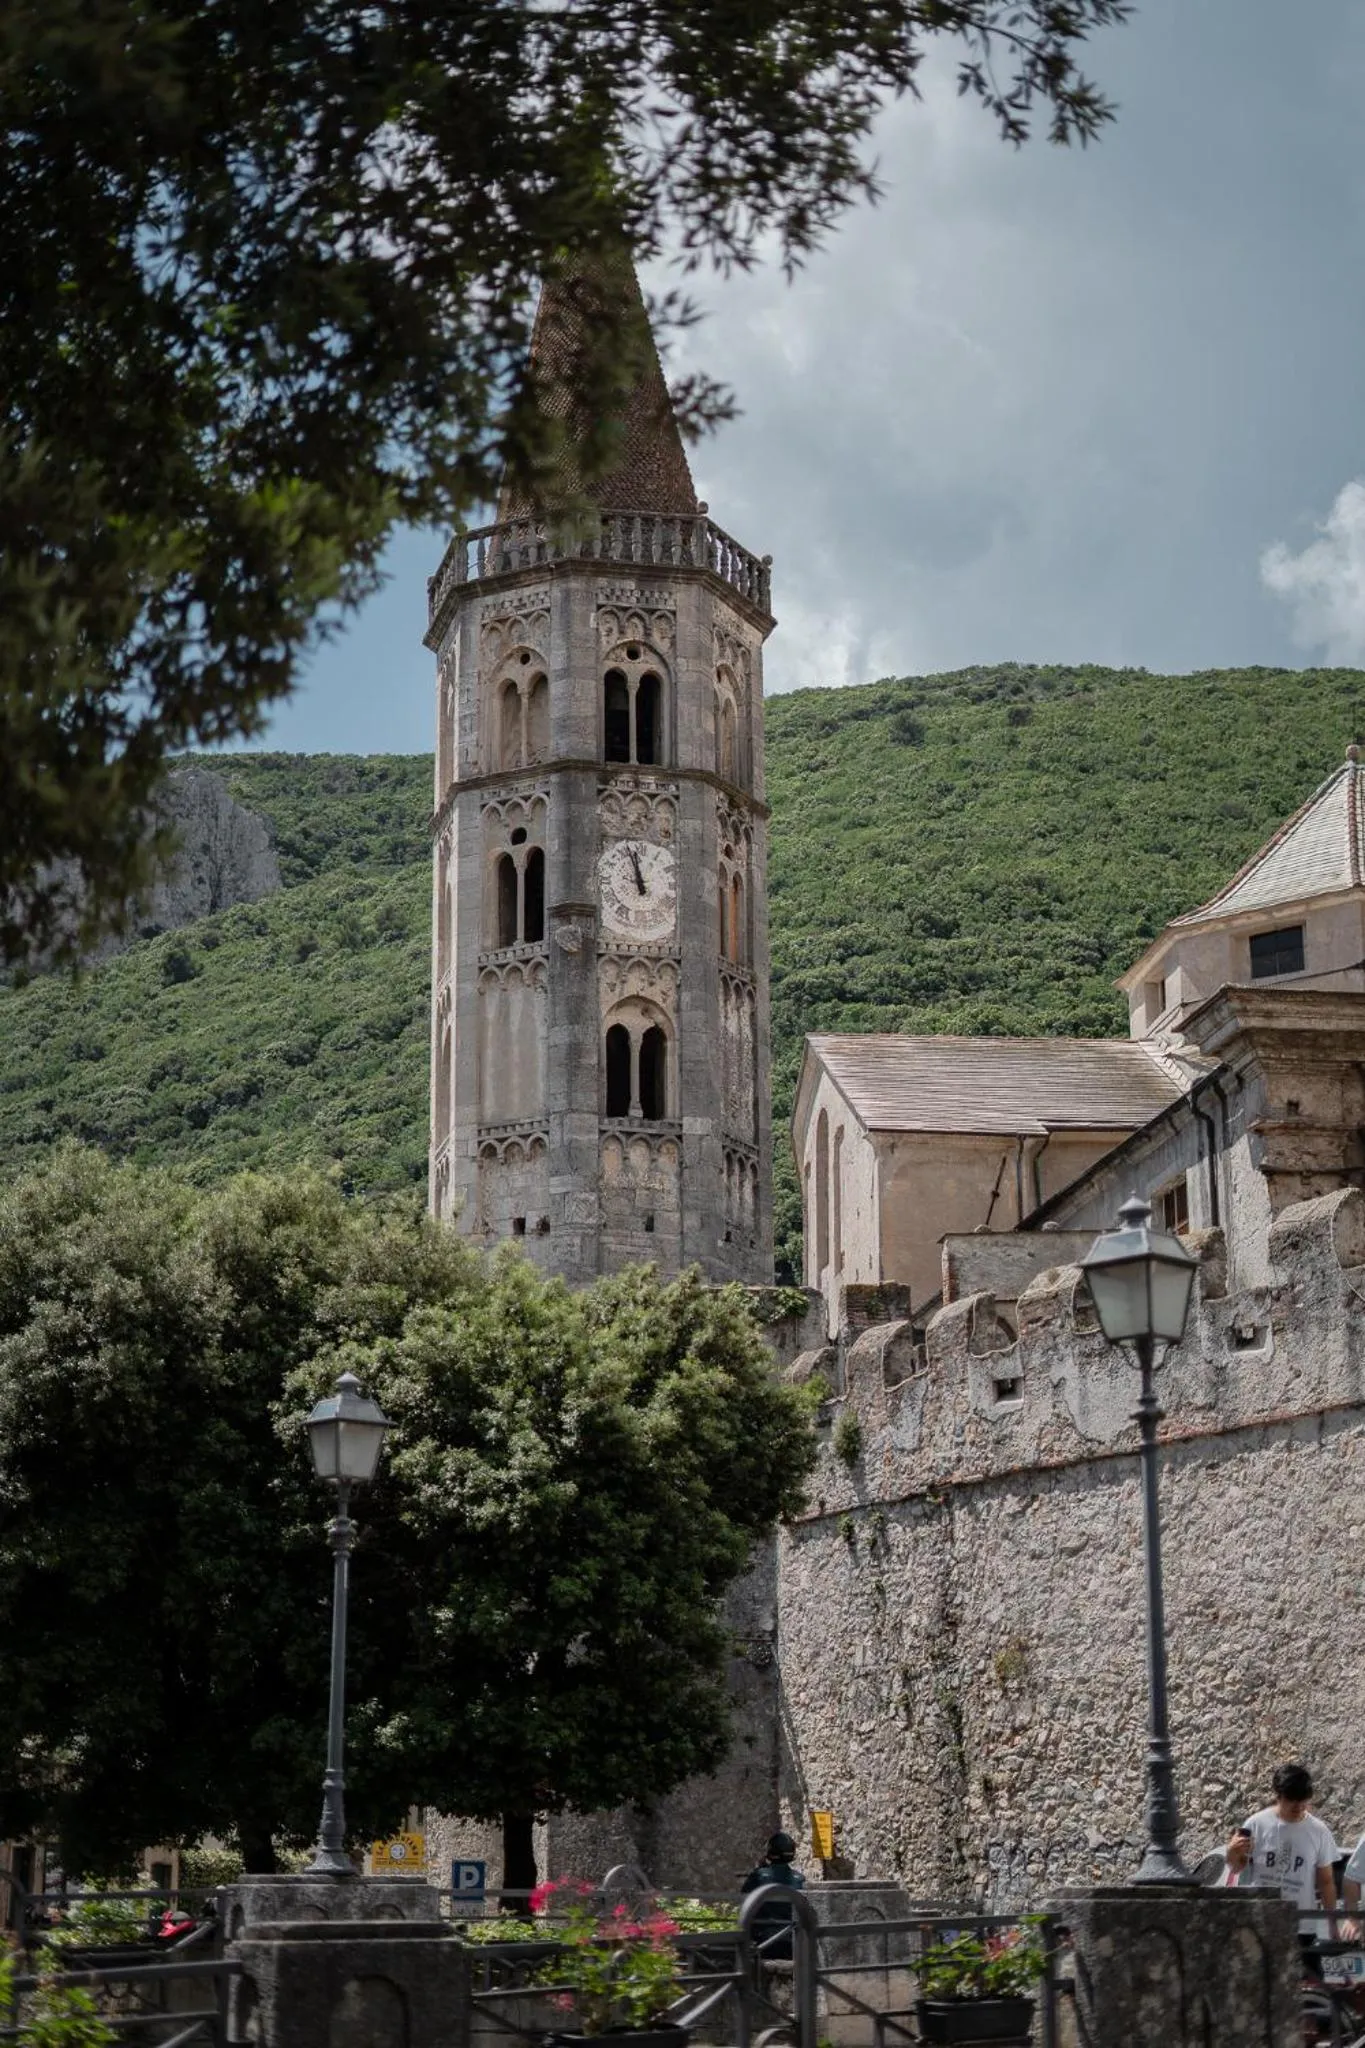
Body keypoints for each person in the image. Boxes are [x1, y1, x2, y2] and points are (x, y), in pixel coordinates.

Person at [1225, 1763, 1339, 1920]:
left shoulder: (1319, 1831)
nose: (1298, 1806)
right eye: (1291, 1799)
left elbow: (1326, 1881)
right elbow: (1237, 1868)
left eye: (1303, 1800)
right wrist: (1232, 1852)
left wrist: (1332, 1923)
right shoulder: (1257, 1824)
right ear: (1278, 1796)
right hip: (1262, 1918)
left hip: (1302, 1923)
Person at [741, 1831, 806, 1962]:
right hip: (791, 1940)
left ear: (770, 1852)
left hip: (763, 1940)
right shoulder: (800, 1879)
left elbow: (744, 1901)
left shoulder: (758, 1876)